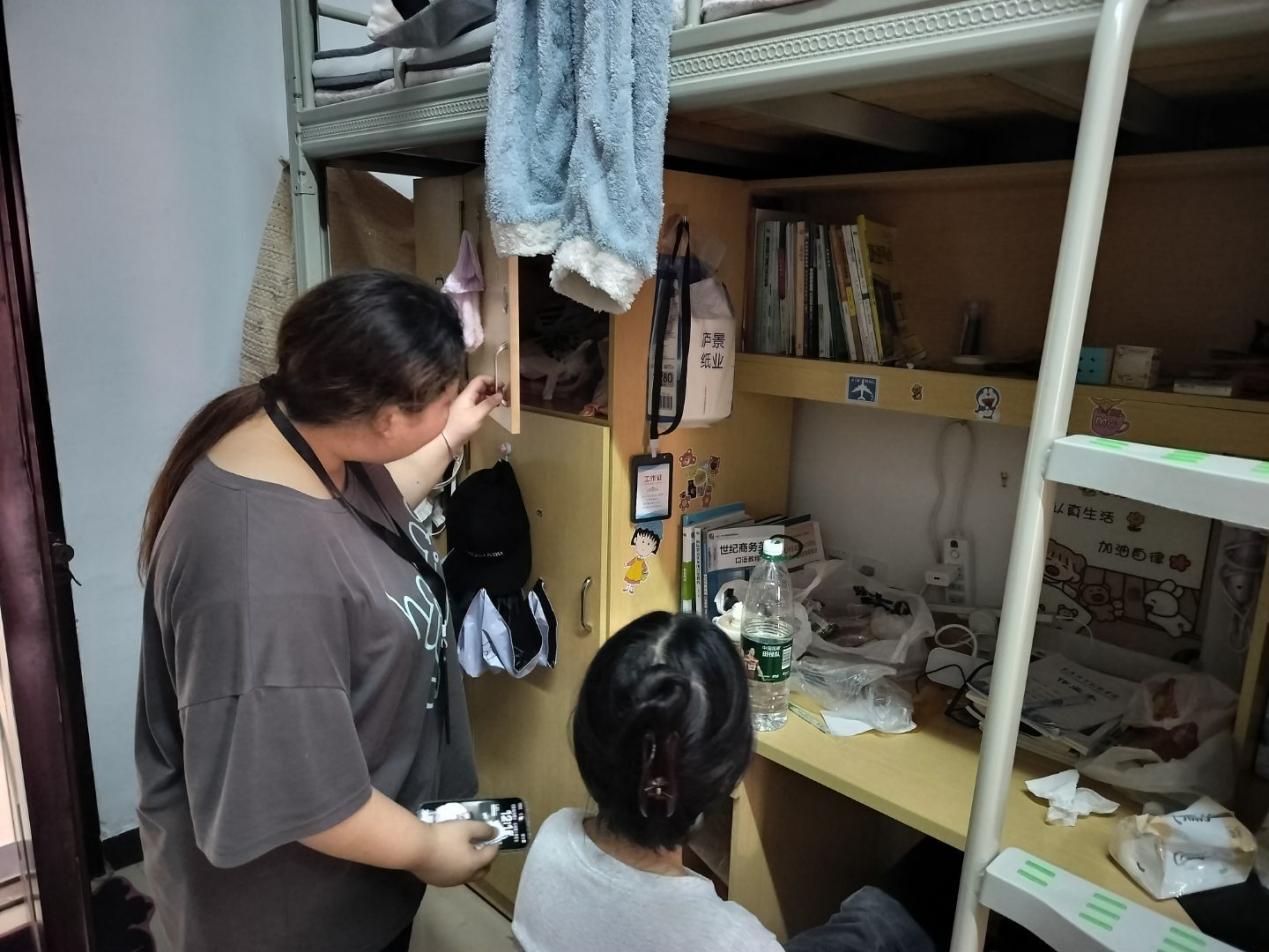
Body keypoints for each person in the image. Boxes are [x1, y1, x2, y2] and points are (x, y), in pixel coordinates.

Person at [135, 271, 505, 952]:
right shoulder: (259, 577)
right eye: (440, 395)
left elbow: (364, 516)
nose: (449, 401)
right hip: (291, 917)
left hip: (357, 883)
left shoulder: (291, 436)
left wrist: (450, 431)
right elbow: (299, 794)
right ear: (386, 420)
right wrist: (426, 850)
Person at [512, 611, 937, 952]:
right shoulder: (732, 940)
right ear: (729, 772)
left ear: (586, 741)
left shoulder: (552, 837)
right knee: (881, 919)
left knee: (872, 918)